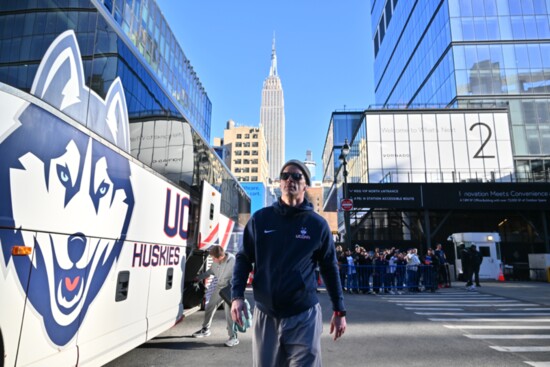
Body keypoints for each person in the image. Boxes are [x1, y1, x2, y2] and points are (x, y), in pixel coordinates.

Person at [231, 159, 347, 367]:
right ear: (279, 183)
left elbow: (330, 268)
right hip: (266, 313)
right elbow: (243, 259)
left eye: (296, 176)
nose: (289, 180)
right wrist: (237, 296)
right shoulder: (260, 219)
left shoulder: (317, 225)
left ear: (305, 184)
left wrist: (339, 311)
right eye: (285, 176)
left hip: (304, 315)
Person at [192, 245, 239, 347]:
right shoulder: (216, 261)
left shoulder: (233, 261)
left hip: (230, 289)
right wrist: (199, 278)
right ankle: (205, 329)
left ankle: (233, 337)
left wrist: (237, 293)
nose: (212, 260)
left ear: (220, 257)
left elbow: (240, 276)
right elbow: (210, 272)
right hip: (219, 288)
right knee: (209, 306)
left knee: (229, 314)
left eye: (213, 258)